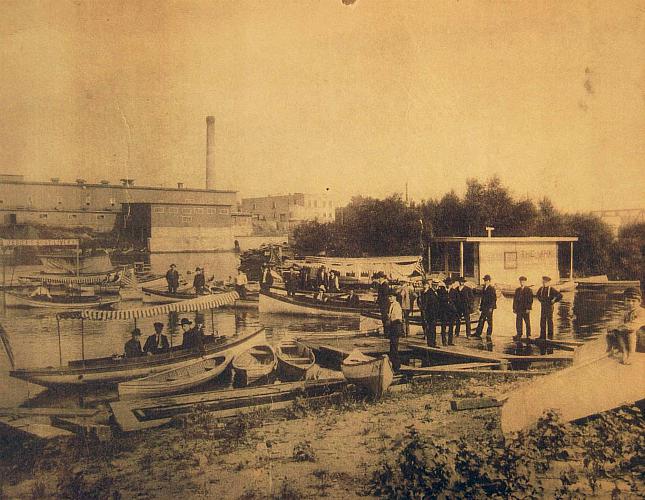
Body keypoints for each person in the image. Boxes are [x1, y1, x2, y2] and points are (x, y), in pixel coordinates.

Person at [606, 288, 645, 365]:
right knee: (614, 331)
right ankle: (624, 351)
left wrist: (617, 327)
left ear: (639, 302)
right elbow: (619, 324)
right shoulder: (626, 313)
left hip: (643, 340)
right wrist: (613, 327)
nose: (630, 303)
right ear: (625, 301)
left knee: (630, 331)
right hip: (636, 342)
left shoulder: (642, 312)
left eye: (633, 301)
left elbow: (633, 326)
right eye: (628, 300)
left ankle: (631, 354)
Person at [385, 291, 404, 372]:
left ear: (395, 297)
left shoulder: (397, 306)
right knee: (392, 346)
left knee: (394, 346)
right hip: (393, 326)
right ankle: (394, 364)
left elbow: (397, 318)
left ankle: (397, 365)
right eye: (389, 297)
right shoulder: (392, 305)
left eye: (391, 296)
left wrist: (389, 320)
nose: (390, 298)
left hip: (396, 326)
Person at [418, 279, 440, 347]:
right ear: (432, 285)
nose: (436, 286)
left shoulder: (434, 292)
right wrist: (424, 312)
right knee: (431, 328)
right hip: (430, 313)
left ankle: (432, 342)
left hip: (434, 313)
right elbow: (425, 304)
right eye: (435, 285)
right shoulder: (429, 292)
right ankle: (431, 343)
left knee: (432, 328)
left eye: (437, 285)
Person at [475, 275, 496, 339]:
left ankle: (489, 334)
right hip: (484, 307)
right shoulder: (484, 288)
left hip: (489, 307)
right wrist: (480, 306)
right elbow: (483, 298)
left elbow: (494, 299)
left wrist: (491, 308)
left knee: (489, 321)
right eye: (484, 280)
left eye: (486, 280)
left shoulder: (492, 288)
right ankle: (478, 333)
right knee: (481, 320)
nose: (485, 281)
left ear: (489, 281)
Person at [438, 278, 456, 346]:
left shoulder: (454, 291)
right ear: (445, 284)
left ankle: (450, 341)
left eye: (450, 284)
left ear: (451, 284)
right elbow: (440, 299)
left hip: (451, 311)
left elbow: (456, 301)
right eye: (447, 284)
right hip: (444, 311)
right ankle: (444, 341)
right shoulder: (441, 291)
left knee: (451, 327)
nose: (448, 285)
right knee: (443, 326)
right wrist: (447, 299)